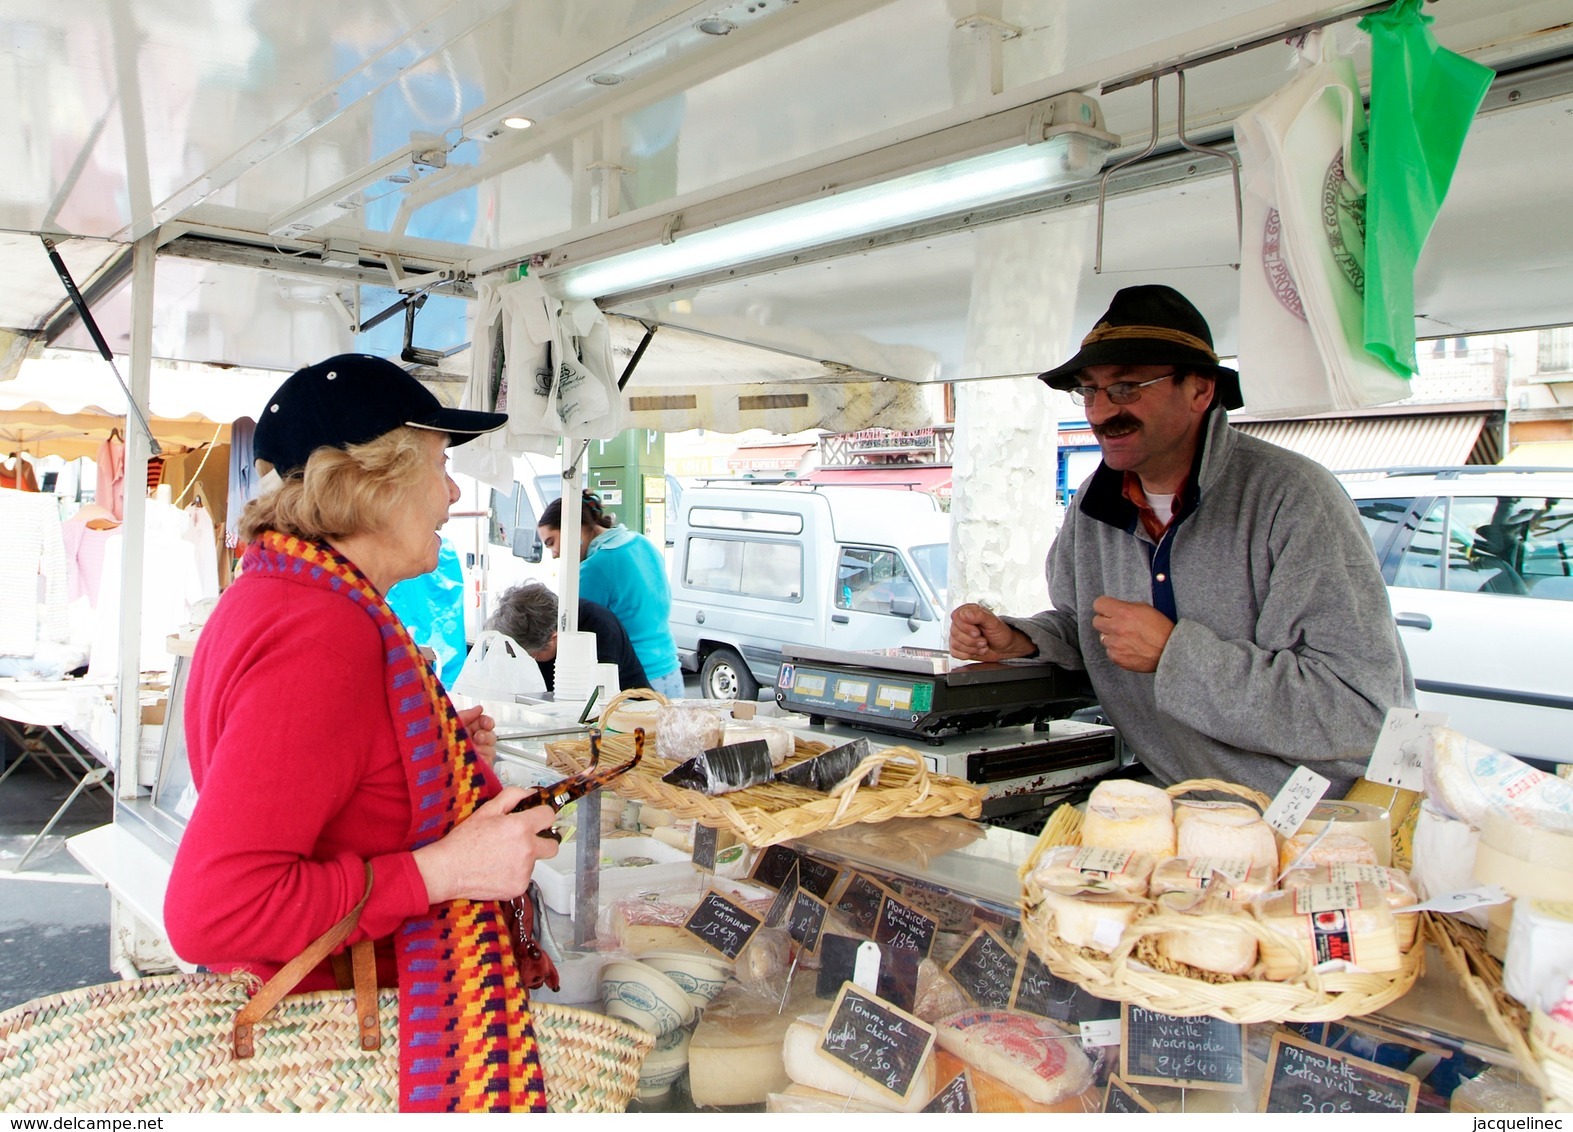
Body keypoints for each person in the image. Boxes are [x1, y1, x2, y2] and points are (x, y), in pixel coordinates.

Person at [163, 354, 560, 1113]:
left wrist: (431, 772)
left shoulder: (279, 590)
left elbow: (312, 790)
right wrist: (446, 870)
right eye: (440, 465)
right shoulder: (323, 631)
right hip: (341, 1049)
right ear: (370, 479)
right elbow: (214, 910)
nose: (451, 493)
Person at [949, 286, 1414, 798]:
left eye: (1126, 387)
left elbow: (1360, 711)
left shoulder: (1293, 500)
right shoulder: (1093, 506)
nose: (1101, 412)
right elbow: (1094, 631)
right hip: (1182, 806)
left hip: (1318, 823)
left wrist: (1175, 654)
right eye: (1089, 390)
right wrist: (1026, 641)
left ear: (1200, 391)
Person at [537, 491, 683, 698]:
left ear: (572, 528)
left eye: (552, 542)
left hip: (635, 681)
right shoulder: (642, 542)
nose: (554, 553)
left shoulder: (594, 568)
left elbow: (574, 635)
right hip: (671, 670)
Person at [490, 580, 649, 695]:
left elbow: (596, 702)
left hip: (631, 715)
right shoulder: (541, 633)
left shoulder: (599, 628)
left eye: (532, 655)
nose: (530, 660)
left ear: (554, 637)